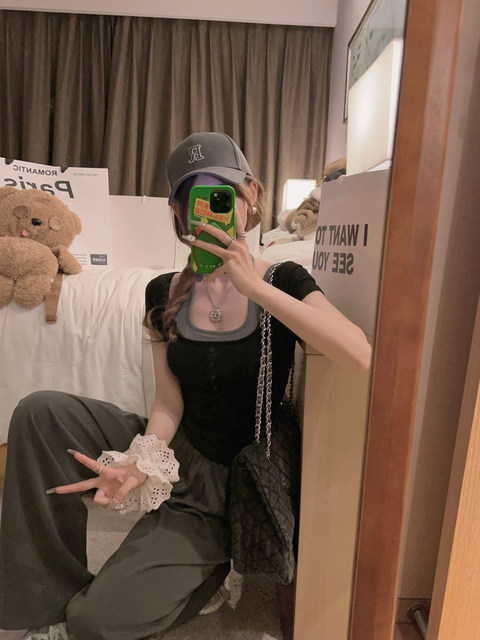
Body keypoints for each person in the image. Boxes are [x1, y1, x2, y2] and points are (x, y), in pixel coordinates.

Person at [0, 132, 371, 640]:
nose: (207, 211)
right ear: (178, 211)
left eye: (221, 194)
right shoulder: (163, 290)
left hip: (225, 483)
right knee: (40, 411)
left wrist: (254, 287)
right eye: (190, 198)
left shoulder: (284, 279)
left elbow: (359, 353)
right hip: (178, 449)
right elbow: (168, 402)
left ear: (250, 196)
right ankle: (48, 596)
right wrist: (142, 460)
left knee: (93, 622)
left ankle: (207, 575)